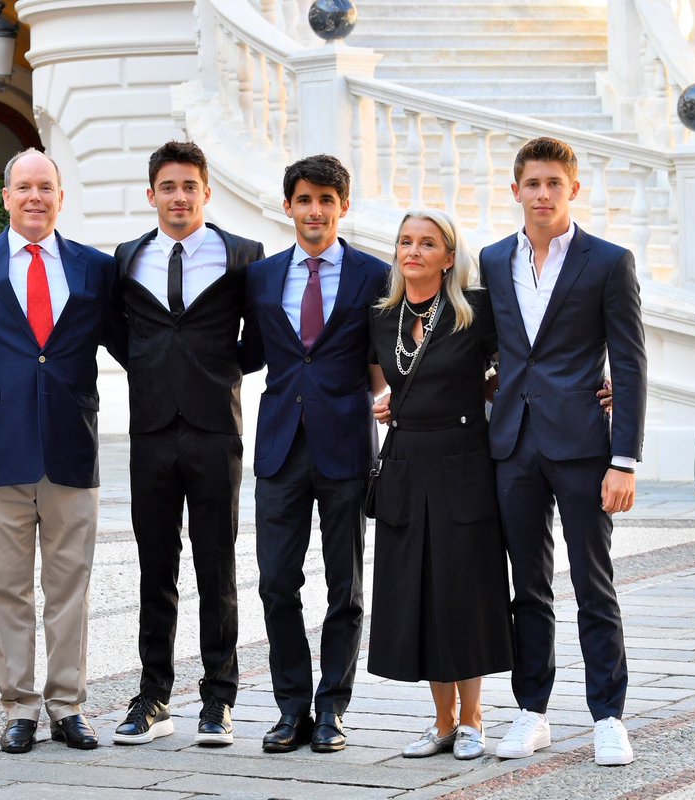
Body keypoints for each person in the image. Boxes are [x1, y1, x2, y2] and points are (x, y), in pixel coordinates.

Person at [0, 148, 124, 754]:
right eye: (24, 187)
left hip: (72, 445)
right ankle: (18, 706)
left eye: (46, 186)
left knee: (71, 584)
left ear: (60, 196)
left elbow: (136, 349)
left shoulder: (96, 269)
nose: (35, 197)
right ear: (7, 197)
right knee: (3, 586)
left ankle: (67, 705)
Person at [482, 137, 647, 766]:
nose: (543, 194)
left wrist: (624, 458)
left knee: (593, 584)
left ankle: (608, 715)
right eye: (533, 183)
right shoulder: (495, 261)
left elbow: (629, 362)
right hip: (514, 445)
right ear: (516, 190)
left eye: (555, 183)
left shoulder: (608, 261)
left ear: (572, 189)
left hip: (583, 447)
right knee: (527, 588)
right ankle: (532, 711)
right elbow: (485, 351)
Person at [111, 141, 263, 747]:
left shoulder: (241, 256)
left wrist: (218, 369)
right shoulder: (126, 258)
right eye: (167, 187)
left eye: (188, 187)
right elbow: (115, 332)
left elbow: (262, 335)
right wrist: (152, 368)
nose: (178, 197)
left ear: (206, 192)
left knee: (216, 567)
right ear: (152, 195)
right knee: (156, 568)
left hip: (213, 429)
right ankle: (153, 696)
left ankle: (218, 699)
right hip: (149, 431)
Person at [240, 154, 388, 754]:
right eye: (305, 199)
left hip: (346, 444)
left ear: (343, 207)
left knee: (345, 588)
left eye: (327, 200)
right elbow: (243, 350)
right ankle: (291, 707)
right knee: (276, 582)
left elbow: (391, 355)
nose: (315, 211)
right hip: (279, 446)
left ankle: (332, 708)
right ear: (289, 207)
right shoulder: (262, 277)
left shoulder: (373, 275)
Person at [365, 210, 512, 760]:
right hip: (406, 462)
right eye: (405, 241)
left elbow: (517, 366)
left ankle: (473, 719)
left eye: (427, 243)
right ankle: (442, 720)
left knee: (463, 592)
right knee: (419, 591)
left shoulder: (476, 312)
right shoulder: (382, 318)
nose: (414, 251)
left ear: (449, 257)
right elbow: (385, 379)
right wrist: (393, 403)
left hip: (463, 461)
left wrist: (601, 384)